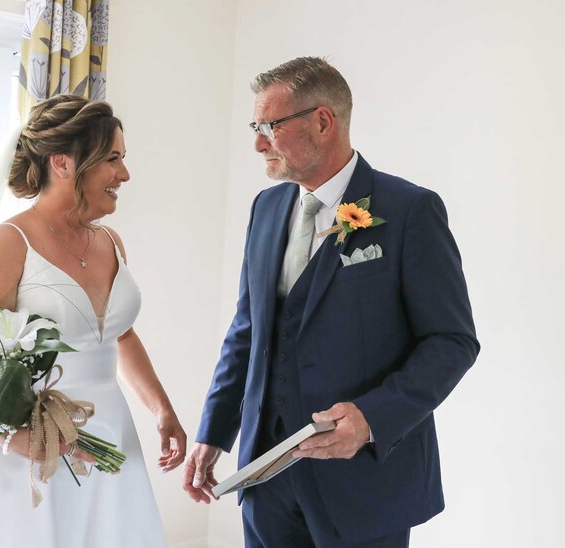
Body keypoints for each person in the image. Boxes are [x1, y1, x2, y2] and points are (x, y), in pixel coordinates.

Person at [183, 57, 480, 547]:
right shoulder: (267, 207)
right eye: (255, 127)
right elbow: (248, 329)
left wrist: (371, 419)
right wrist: (213, 432)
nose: (258, 142)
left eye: (269, 126)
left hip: (364, 481)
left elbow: (452, 341)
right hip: (266, 476)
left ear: (322, 121)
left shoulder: (408, 211)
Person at [0, 94, 186, 547]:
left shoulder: (111, 241)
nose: (124, 174)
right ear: (63, 163)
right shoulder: (6, 244)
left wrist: (161, 409)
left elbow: (120, 336)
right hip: (31, 448)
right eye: (112, 159)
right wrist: (8, 438)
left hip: (110, 434)